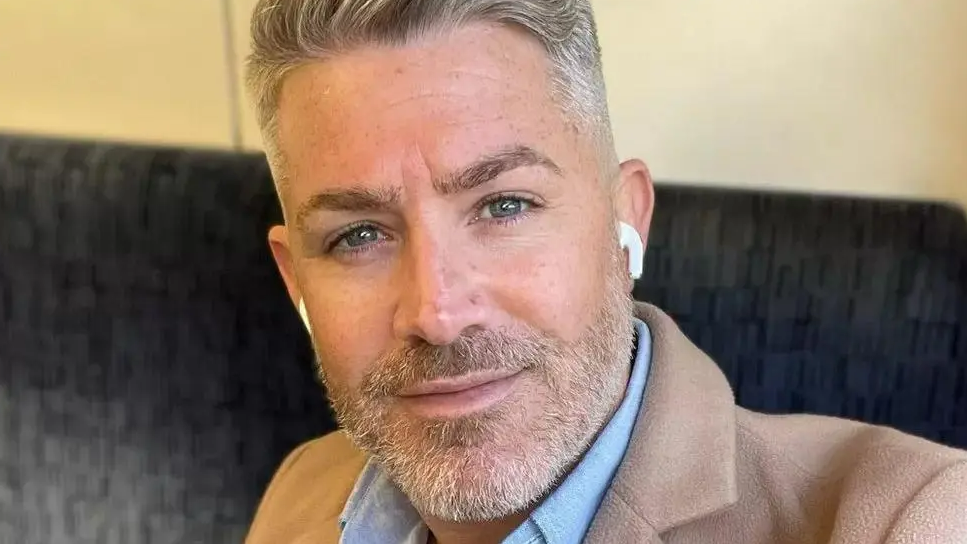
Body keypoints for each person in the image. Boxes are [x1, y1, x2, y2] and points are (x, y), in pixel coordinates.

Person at [241, 1, 967, 543]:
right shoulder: (301, 495)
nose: (437, 312)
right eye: (358, 235)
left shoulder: (913, 516)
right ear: (295, 282)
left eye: (504, 205)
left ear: (628, 223)